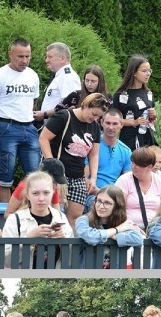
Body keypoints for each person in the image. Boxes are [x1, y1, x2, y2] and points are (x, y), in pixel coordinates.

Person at [0, 38, 41, 203]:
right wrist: (1, 125)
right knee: (5, 176)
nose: (24, 61)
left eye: (28, 56)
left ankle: (32, 213)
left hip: (29, 128)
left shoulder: (33, 75)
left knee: (35, 177)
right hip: (7, 127)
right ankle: (6, 220)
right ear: (10, 54)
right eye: (20, 56)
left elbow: (33, 102)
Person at [39, 93, 109, 228]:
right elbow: (43, 138)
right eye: (93, 114)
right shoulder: (64, 116)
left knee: (75, 216)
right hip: (56, 174)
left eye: (98, 116)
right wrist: (51, 163)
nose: (94, 118)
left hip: (77, 176)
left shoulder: (94, 126)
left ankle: (69, 248)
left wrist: (92, 177)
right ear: (86, 105)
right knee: (53, 214)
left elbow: (94, 154)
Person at [2, 170, 73, 269]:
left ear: (53, 192)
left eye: (46, 193)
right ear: (27, 195)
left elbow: (71, 258)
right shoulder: (15, 219)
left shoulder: (60, 217)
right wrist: (28, 239)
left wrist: (64, 240)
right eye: (35, 193)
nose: (41, 198)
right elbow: (6, 260)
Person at [75, 185, 145, 266]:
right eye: (99, 201)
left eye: (107, 203)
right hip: (87, 275)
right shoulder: (83, 220)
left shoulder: (123, 223)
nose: (101, 206)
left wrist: (112, 236)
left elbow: (138, 239)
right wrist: (116, 230)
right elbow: (90, 237)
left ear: (117, 206)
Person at [85, 107, 131, 210]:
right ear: (101, 122)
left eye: (115, 124)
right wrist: (101, 194)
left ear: (121, 125)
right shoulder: (90, 145)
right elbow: (85, 179)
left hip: (114, 197)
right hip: (91, 194)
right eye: (108, 123)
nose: (111, 127)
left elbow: (128, 182)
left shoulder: (126, 151)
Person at [115, 146, 161, 231]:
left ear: (149, 167)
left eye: (138, 164)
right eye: (132, 163)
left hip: (155, 228)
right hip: (128, 227)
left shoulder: (160, 182)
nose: (133, 166)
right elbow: (118, 210)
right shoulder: (124, 180)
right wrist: (131, 226)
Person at [112, 55, 157, 151]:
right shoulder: (121, 95)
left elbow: (151, 120)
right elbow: (112, 119)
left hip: (147, 139)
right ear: (134, 73)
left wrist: (153, 116)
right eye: (144, 71)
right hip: (129, 140)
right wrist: (133, 122)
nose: (148, 74)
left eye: (149, 71)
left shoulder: (148, 93)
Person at [3, 157, 68, 220]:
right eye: (54, 181)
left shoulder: (53, 188)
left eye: (46, 193)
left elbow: (57, 216)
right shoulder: (24, 186)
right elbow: (7, 214)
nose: (56, 186)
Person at [36, 42, 81, 122]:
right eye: (46, 57)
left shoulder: (67, 77)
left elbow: (70, 107)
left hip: (59, 128)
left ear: (62, 58)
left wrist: (45, 114)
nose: (46, 60)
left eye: (50, 57)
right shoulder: (60, 75)